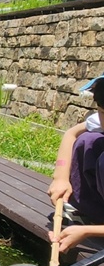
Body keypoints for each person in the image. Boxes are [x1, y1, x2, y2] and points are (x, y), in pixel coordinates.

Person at [48, 74, 104, 252]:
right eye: (103, 113)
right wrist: (60, 178)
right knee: (88, 140)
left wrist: (87, 231)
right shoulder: (98, 120)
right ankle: (89, 212)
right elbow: (71, 134)